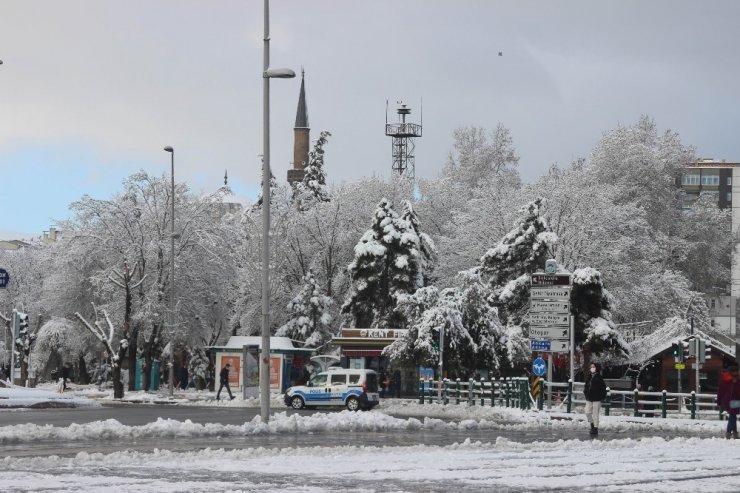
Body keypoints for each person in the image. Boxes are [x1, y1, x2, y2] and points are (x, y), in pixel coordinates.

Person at [583, 362, 607, 436]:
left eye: (593, 367)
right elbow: (586, 386)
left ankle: (595, 428)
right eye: (591, 367)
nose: (592, 368)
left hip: (597, 399)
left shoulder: (599, 378)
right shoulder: (589, 376)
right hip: (589, 398)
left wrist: (600, 397)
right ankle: (592, 424)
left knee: (595, 414)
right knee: (587, 412)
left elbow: (603, 389)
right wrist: (586, 393)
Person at [717, 365, 740, 439]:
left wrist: (719, 401)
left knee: (732, 416)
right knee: (732, 415)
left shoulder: (724, 380)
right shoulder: (736, 381)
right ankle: (728, 433)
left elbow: (720, 392)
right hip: (733, 401)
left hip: (728, 401)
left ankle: (734, 433)